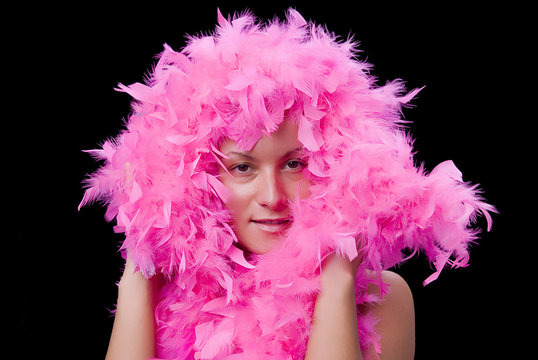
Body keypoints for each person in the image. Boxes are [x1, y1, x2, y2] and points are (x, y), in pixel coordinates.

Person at [81, 9, 494, 360]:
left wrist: (336, 285)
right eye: (242, 169)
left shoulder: (381, 297)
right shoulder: (161, 296)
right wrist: (141, 261)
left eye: (294, 164)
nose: (273, 197)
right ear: (197, 178)